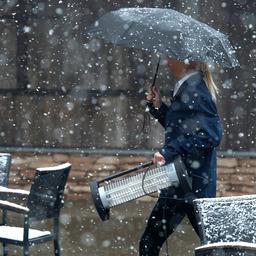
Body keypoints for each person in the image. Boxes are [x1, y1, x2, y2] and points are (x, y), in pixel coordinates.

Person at [139, 57, 223, 256]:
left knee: (212, 247)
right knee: (149, 243)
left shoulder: (196, 90)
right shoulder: (186, 87)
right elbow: (181, 128)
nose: (167, 61)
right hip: (180, 182)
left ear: (188, 61)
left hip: (192, 185)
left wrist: (168, 151)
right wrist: (158, 106)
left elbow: (210, 136)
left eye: (171, 57)